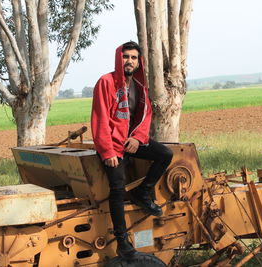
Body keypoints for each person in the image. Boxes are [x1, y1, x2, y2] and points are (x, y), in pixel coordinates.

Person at [91, 41, 173, 259]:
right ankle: (122, 241)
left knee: (165, 155)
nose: (129, 61)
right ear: (119, 58)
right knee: (117, 189)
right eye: (126, 57)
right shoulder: (106, 82)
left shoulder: (139, 85)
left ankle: (142, 192)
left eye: (134, 58)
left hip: (131, 142)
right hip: (113, 145)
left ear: (139, 61)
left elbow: (145, 116)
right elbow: (100, 119)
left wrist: (137, 138)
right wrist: (108, 152)